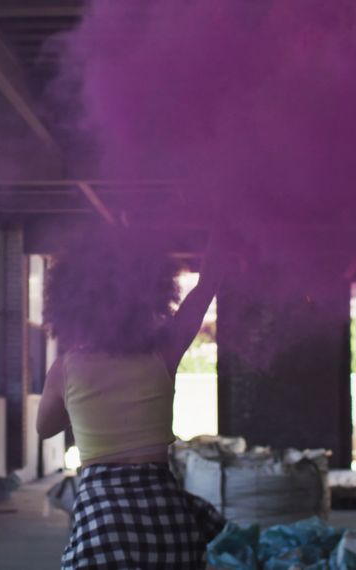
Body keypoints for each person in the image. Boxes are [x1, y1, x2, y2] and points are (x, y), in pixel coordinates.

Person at [37, 228, 225, 570]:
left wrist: (82, 406)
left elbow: (44, 427)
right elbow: (205, 289)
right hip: (169, 527)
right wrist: (221, 235)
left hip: (103, 529)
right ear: (152, 296)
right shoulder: (163, 353)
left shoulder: (66, 369)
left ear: (69, 305)